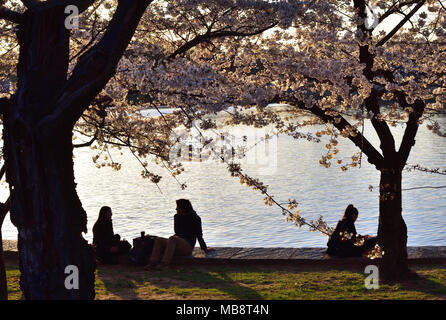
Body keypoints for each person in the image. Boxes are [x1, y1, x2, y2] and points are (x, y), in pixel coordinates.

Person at [146, 199, 214, 270]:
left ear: (184, 208)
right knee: (159, 239)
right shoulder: (177, 217)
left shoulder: (195, 218)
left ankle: (164, 264)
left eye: (178, 207)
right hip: (177, 243)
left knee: (172, 238)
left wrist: (204, 248)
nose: (176, 209)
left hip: (187, 246)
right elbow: (177, 232)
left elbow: (199, 235)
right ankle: (152, 263)